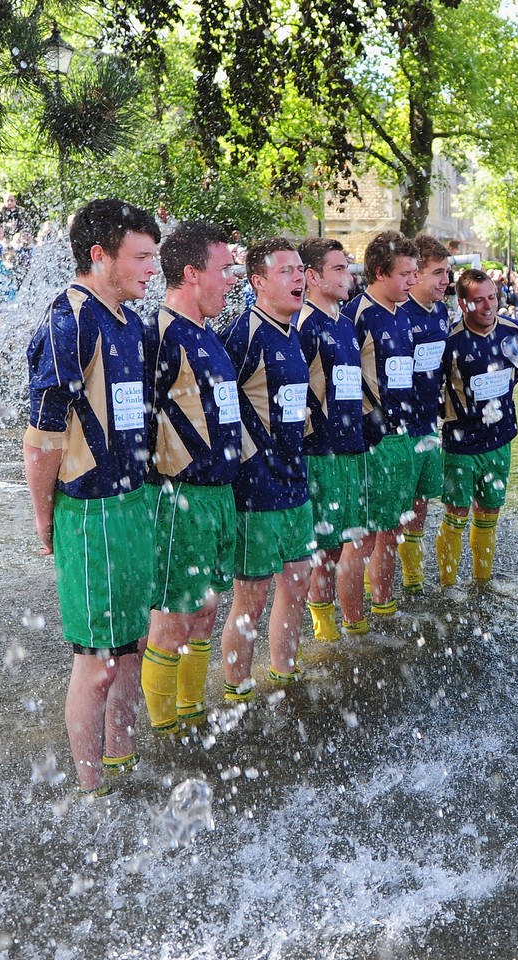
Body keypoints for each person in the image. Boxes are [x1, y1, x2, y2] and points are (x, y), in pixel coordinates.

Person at [23, 198, 161, 797]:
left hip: (132, 504)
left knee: (130, 649)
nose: (152, 269)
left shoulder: (128, 321)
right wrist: (44, 517)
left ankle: (124, 763)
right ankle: (90, 789)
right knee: (96, 661)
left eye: (155, 257)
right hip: (90, 511)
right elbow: (41, 435)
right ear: (99, 255)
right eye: (141, 257)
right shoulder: (70, 320)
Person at [142, 221, 242, 736]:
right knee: (173, 617)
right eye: (224, 270)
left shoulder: (210, 335)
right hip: (178, 497)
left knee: (205, 612)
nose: (233, 279)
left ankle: (191, 713)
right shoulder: (158, 335)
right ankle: (164, 735)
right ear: (190, 273)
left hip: (219, 495)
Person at [218, 238, 314, 701]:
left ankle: (286, 676)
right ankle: (237, 690)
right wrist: (246, 462)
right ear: (257, 281)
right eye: (287, 271)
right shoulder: (243, 333)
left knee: (298, 582)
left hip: (296, 482)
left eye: (301, 270)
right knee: (250, 599)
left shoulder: (292, 332)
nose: (300, 277)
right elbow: (215, 406)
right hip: (256, 490)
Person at [295, 237, 371, 642]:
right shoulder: (304, 325)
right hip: (320, 454)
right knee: (322, 552)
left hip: (350, 448)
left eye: (347, 267)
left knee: (346, 544)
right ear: (313, 276)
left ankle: (353, 623)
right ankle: (325, 633)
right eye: (338, 269)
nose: (347, 275)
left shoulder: (345, 323)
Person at [347, 231, 420, 617]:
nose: (412, 281)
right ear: (378, 272)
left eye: (414, 273)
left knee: (390, 531)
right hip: (371, 442)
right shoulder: (356, 316)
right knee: (362, 538)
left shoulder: (404, 312)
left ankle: (384, 608)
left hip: (400, 437)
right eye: (405, 274)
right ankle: (352, 625)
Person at [435, 269, 518, 587]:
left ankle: (482, 583)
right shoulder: (450, 341)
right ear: (462, 304)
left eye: (492, 298)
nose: (488, 306)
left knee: (489, 513)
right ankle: (447, 586)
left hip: (500, 439)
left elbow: (517, 376)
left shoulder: (513, 332)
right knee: (456, 513)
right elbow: (433, 393)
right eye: (478, 300)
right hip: (461, 443)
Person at [394, 234, 451, 594]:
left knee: (421, 505)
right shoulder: (398, 314)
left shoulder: (443, 312)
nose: (446, 280)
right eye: (438, 273)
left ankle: (413, 582)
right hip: (398, 430)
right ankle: (377, 588)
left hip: (429, 425)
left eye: (448, 272)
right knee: (391, 513)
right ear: (415, 276)